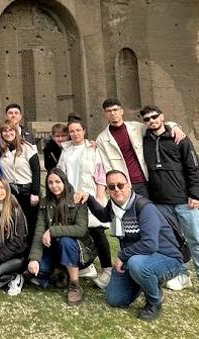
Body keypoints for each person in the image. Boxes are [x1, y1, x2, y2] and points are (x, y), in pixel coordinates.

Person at [140, 105, 199, 302]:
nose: (152, 121)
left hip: (184, 201)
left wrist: (195, 194)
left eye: (155, 117)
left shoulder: (179, 138)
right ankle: (182, 274)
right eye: (147, 119)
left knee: (196, 240)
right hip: (160, 201)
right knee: (174, 241)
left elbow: (194, 167)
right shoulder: (144, 140)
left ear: (162, 117)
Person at [80, 170, 187, 321]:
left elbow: (149, 244)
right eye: (111, 186)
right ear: (108, 190)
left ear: (129, 185)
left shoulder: (144, 207)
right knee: (115, 299)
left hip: (167, 258)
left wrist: (123, 256)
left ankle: (155, 301)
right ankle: (143, 281)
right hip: (138, 258)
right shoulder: (114, 206)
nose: (116, 189)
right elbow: (103, 215)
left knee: (136, 264)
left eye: (120, 185)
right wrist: (89, 199)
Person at [58, 118, 113, 288]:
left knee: (96, 232)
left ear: (84, 131)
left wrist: (99, 194)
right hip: (71, 199)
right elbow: (60, 173)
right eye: (72, 131)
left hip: (89, 196)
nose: (75, 134)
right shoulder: (66, 151)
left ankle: (107, 270)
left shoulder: (93, 149)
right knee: (78, 233)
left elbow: (100, 173)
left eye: (78, 130)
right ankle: (86, 266)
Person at [95, 99, 185, 197]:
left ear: (121, 111)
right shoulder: (102, 139)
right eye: (109, 111)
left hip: (148, 179)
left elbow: (157, 126)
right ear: (105, 114)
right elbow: (107, 166)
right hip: (125, 185)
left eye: (115, 110)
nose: (113, 113)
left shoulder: (137, 127)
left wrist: (174, 126)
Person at [27, 168, 88, 306]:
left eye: (57, 182)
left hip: (75, 248)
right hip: (52, 248)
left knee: (65, 240)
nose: (54, 186)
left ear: (64, 182)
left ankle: (74, 284)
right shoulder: (44, 202)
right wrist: (34, 259)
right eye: (50, 182)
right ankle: (59, 270)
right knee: (37, 272)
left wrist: (53, 231)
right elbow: (39, 231)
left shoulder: (77, 199)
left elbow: (81, 229)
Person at [0, 123, 41, 247]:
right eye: (4, 131)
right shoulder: (1, 150)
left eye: (10, 130)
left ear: (16, 131)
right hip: (11, 192)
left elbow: (36, 170)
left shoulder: (27, 147)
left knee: (31, 223)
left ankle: (32, 254)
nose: (8, 133)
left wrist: (35, 192)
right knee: (15, 223)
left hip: (27, 190)